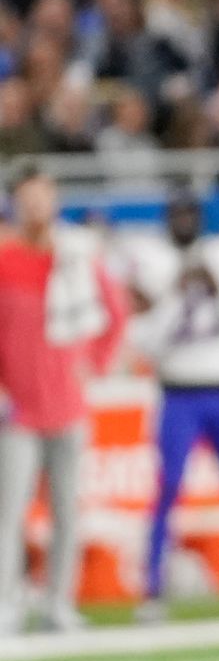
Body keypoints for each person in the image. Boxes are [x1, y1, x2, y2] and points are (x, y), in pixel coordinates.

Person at [131, 192, 219, 622]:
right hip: (177, 391)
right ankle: (151, 591)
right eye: (178, 214)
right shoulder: (154, 262)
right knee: (168, 488)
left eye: (190, 213)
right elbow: (146, 344)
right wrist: (176, 295)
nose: (185, 221)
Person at [0, 168, 127, 633]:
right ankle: (7, 604)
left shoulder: (76, 258)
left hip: (68, 406)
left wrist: (95, 362)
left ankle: (58, 603)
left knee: (66, 512)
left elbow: (115, 313)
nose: (36, 208)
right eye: (27, 199)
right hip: (18, 411)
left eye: (43, 198)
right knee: (9, 513)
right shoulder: (5, 259)